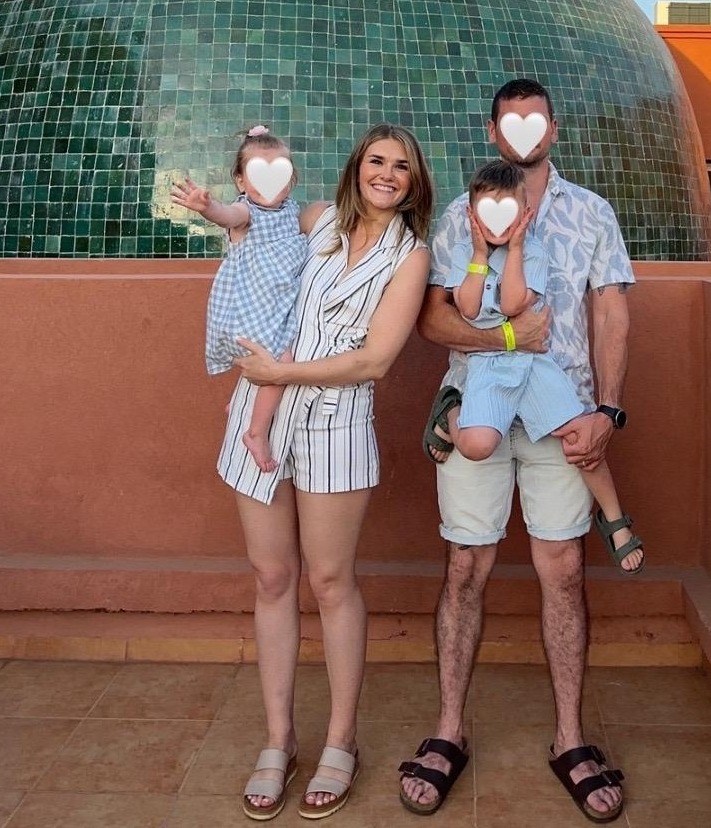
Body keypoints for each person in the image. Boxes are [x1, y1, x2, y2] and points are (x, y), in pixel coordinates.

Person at [399, 79, 635, 823]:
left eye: (534, 121)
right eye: (510, 122)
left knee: (562, 568)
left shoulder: (592, 213)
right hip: (481, 408)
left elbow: (611, 311)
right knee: (466, 564)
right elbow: (434, 323)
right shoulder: (458, 220)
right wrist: (503, 337)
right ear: (494, 133)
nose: (523, 133)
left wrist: (607, 411)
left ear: (552, 130)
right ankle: (448, 731)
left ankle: (569, 737)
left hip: (562, 419)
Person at [218, 123, 433, 821]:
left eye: (401, 166)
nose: (387, 173)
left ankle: (342, 740)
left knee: (331, 580)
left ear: (413, 181)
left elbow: (374, 360)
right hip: (259, 408)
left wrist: (285, 370)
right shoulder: (317, 222)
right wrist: (251, 165)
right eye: (377, 160)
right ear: (357, 166)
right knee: (272, 577)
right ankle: (278, 741)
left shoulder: (412, 257)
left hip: (337, 425)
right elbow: (259, 222)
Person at [422, 160, 645, 577]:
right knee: (474, 446)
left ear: (524, 215)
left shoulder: (534, 252)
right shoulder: (462, 252)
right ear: (472, 215)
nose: (498, 223)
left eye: (508, 212)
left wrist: (517, 249)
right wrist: (477, 254)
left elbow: (511, 305)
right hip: (486, 368)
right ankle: (449, 408)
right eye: (488, 212)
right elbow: (467, 308)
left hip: (536, 367)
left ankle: (614, 519)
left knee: (577, 437)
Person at [171, 125, 308, 473]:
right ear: (241, 182)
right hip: (249, 307)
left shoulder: (291, 212)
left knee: (280, 348)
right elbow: (227, 216)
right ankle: (256, 431)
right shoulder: (247, 213)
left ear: (290, 181)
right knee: (283, 359)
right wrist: (207, 207)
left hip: (275, 305)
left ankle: (239, 403)